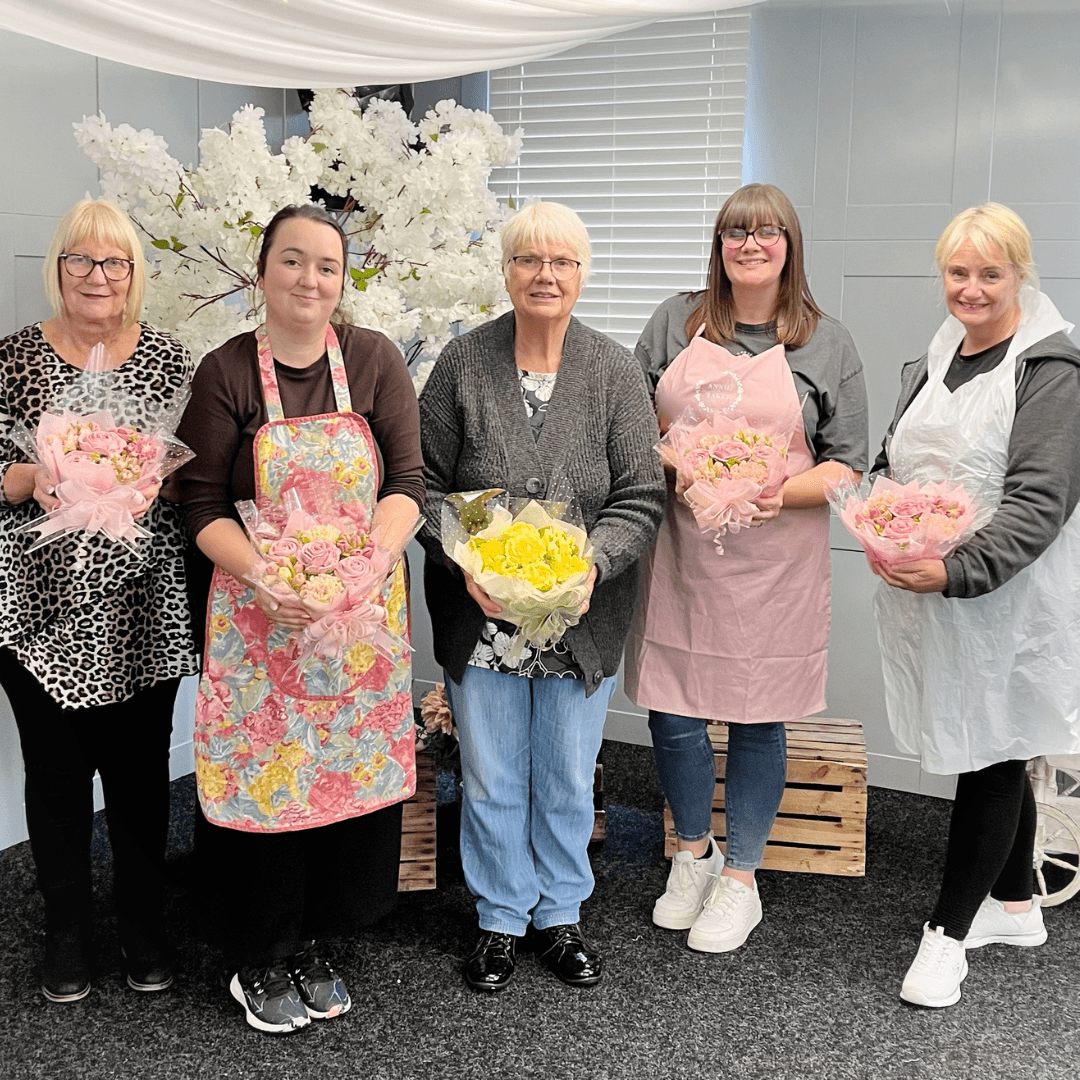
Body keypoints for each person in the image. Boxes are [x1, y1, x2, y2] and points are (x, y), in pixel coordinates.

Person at [178, 204, 424, 1033]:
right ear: (262, 272)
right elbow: (201, 502)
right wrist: (268, 576)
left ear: (342, 278)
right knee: (266, 782)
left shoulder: (374, 358)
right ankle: (258, 954)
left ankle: (318, 938)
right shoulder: (225, 372)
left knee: (342, 783)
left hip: (358, 618)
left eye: (326, 264)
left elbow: (408, 486)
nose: (309, 279)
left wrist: (361, 570)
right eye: (292, 262)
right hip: (261, 621)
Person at [419, 202, 665, 992]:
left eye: (562, 262)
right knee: (491, 774)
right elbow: (417, 485)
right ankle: (498, 917)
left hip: (579, 621)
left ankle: (559, 915)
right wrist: (466, 562)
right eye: (529, 260)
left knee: (564, 772)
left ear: (583, 276)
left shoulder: (615, 371)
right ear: (507, 271)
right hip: (483, 615)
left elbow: (640, 493)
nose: (545, 275)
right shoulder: (461, 363)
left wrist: (590, 566)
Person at [625, 183, 869, 954]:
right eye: (737, 233)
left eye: (768, 233)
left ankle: (741, 878)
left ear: (790, 247)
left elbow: (849, 465)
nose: (751, 245)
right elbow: (635, 425)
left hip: (777, 555)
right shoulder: (676, 320)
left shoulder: (828, 343)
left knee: (760, 715)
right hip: (684, 548)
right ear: (719, 246)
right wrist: (687, 470)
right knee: (673, 707)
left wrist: (772, 491)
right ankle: (691, 853)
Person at [871, 203, 1080, 1008]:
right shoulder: (935, 358)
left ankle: (947, 935)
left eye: (991, 273)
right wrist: (889, 520)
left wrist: (958, 569)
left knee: (990, 749)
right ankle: (1018, 905)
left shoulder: (1051, 368)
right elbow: (900, 459)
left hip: (1008, 595)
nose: (973, 288)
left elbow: (1040, 499)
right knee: (1002, 737)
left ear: (1021, 272)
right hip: (938, 586)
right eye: (959, 272)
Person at [0, 198, 196, 1002]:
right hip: (37, 603)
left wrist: (155, 480)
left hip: (141, 602)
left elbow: (196, 474)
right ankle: (67, 931)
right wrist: (30, 477)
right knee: (53, 777)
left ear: (134, 274)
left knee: (142, 774)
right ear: (58, 269)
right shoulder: (11, 359)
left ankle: (144, 923)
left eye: (114, 262)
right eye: (80, 260)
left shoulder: (170, 358)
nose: (97, 276)